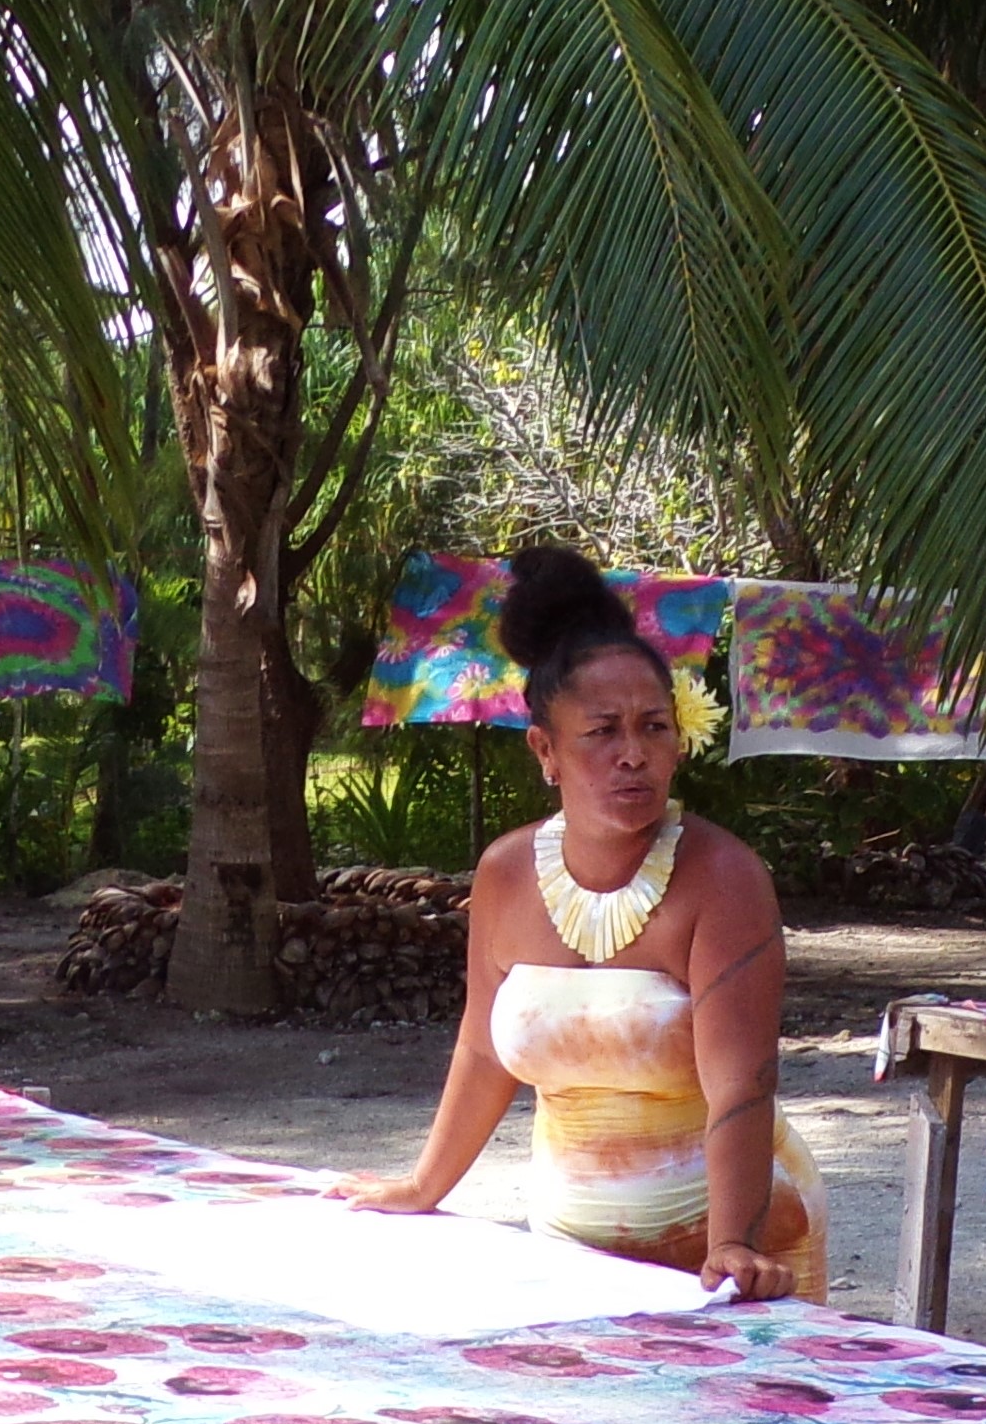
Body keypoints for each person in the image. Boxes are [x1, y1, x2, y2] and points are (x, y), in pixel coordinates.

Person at [347, 548, 824, 1296]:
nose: (632, 755)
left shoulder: (723, 879)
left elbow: (742, 1084)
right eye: (602, 732)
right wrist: (423, 1185)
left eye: (654, 727)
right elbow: (481, 1049)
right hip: (568, 1257)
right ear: (546, 750)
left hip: (728, 1256)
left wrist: (733, 1243)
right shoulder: (505, 875)